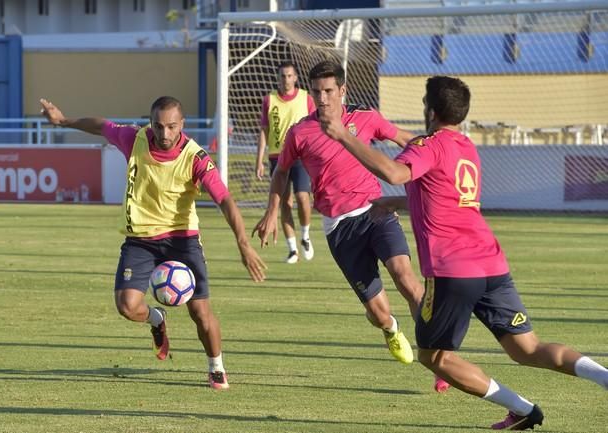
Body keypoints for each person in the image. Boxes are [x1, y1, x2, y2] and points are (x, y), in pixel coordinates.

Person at [321, 75, 608, 429]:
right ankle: (605, 377)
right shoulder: (467, 147)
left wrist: (343, 135)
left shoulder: (428, 144)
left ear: (430, 109)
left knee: (434, 356)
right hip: (491, 263)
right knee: (527, 349)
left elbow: (396, 173)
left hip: (452, 269)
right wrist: (393, 203)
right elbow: (443, 198)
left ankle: (521, 408)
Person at [40, 96, 267, 390]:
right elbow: (101, 126)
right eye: (158, 126)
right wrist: (64, 121)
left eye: (172, 126)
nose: (165, 134)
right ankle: (157, 319)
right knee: (127, 306)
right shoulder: (133, 139)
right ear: (151, 124)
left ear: (181, 125)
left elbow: (224, 199)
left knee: (200, 312)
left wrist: (243, 244)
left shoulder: (196, 157)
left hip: (181, 241)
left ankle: (216, 367)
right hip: (140, 241)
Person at [253, 60, 423, 366]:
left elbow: (403, 138)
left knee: (407, 281)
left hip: (376, 212)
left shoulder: (365, 117)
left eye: (329, 91)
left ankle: (435, 352)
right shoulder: (300, 133)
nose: (322, 98)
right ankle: (391, 329)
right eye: (317, 91)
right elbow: (281, 173)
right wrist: (271, 212)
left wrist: (442, 150)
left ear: (342, 90)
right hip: (340, 229)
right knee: (380, 314)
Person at [256, 61, 316, 264]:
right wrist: (259, 160)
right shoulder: (269, 100)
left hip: (300, 156)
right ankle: (292, 249)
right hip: (277, 157)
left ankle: (305, 235)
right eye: (282, 76)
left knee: (302, 197)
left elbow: (316, 126)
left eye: (289, 75)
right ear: (278, 78)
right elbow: (264, 131)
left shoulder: (306, 98)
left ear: (296, 77)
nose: (286, 79)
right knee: (285, 203)